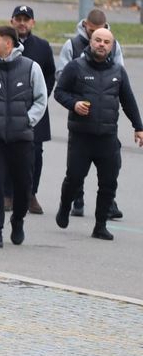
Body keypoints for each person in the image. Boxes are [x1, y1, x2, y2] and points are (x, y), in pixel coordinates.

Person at [55, 27, 143, 241]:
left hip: (107, 138)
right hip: (81, 137)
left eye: (106, 42)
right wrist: (74, 104)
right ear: (90, 42)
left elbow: (128, 100)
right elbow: (59, 92)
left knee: (108, 183)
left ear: (112, 46)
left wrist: (138, 127)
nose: (101, 44)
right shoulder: (76, 67)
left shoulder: (118, 71)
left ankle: (100, 225)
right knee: (74, 179)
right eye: (98, 40)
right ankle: (65, 206)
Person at [0, 25, 48, 249]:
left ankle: (18, 220)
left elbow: (41, 99)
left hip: (22, 139)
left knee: (23, 186)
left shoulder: (31, 68)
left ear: (9, 42)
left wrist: (27, 120)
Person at [58, 8, 126, 218]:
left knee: (110, 172)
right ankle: (75, 199)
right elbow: (62, 80)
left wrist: (138, 126)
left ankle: (107, 208)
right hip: (81, 121)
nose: (100, 43)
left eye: (103, 36)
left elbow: (121, 80)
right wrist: (76, 100)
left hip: (106, 122)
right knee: (76, 172)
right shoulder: (72, 46)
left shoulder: (114, 46)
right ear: (86, 26)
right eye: (93, 33)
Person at [1, 5, 55, 215]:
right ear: (12, 21)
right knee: (8, 152)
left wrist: (42, 96)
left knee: (35, 154)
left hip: (35, 110)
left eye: (26, 19)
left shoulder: (42, 46)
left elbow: (50, 74)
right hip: (8, 110)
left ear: (32, 22)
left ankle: (31, 193)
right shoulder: (3, 43)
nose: (22, 23)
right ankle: (8, 194)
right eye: (18, 18)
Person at [58, 8, 125, 74]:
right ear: (85, 24)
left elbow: (120, 73)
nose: (95, 34)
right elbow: (61, 74)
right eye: (92, 31)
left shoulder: (114, 45)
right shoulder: (71, 45)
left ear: (105, 26)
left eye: (99, 31)